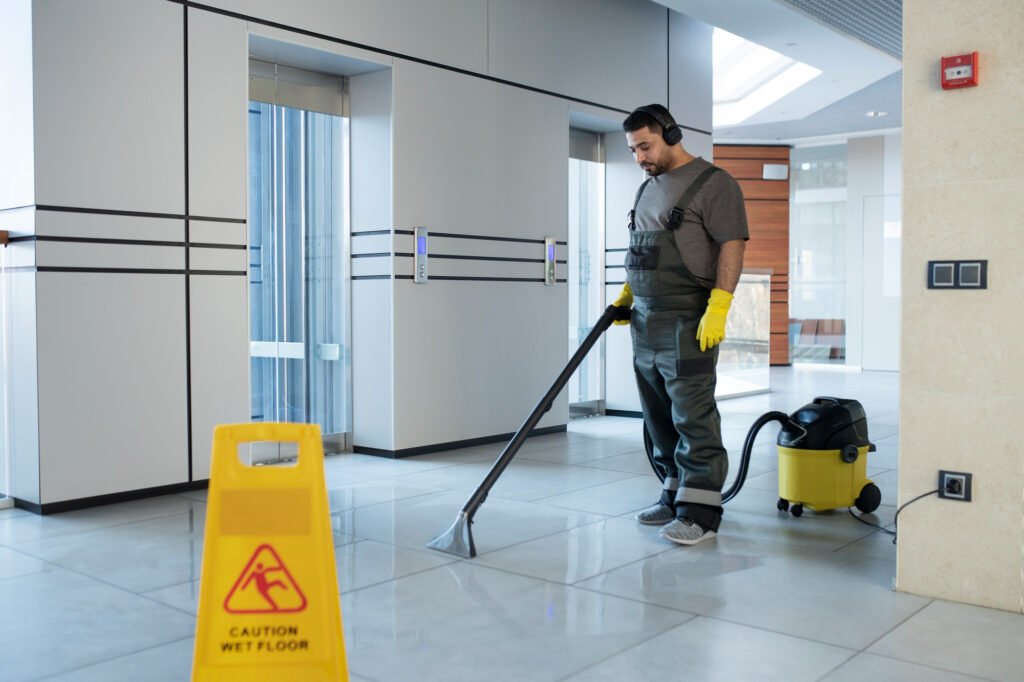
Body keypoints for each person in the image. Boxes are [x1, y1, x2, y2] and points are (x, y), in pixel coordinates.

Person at [612, 104, 748, 546]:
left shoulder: (715, 184)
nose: (640, 158)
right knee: (657, 415)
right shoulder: (646, 189)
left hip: (690, 316)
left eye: (645, 146)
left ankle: (701, 511)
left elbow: (732, 246)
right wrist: (627, 294)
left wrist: (720, 305)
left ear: (671, 133)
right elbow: (640, 249)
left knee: (692, 412)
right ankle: (673, 492)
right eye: (633, 150)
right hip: (645, 319)